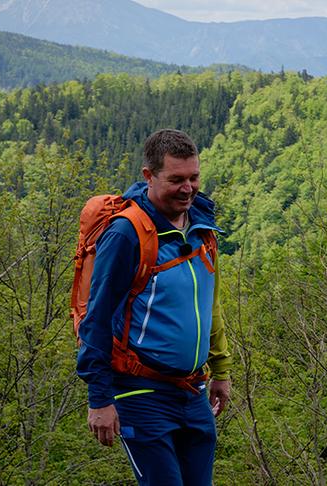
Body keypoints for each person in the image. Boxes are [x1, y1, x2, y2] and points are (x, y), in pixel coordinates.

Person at [76, 129, 231, 485]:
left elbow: (211, 304)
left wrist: (221, 369)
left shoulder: (202, 225)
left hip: (193, 391)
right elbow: (96, 320)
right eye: (176, 179)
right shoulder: (126, 234)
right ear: (149, 176)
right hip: (141, 390)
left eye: (193, 178)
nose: (188, 188)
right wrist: (99, 398)